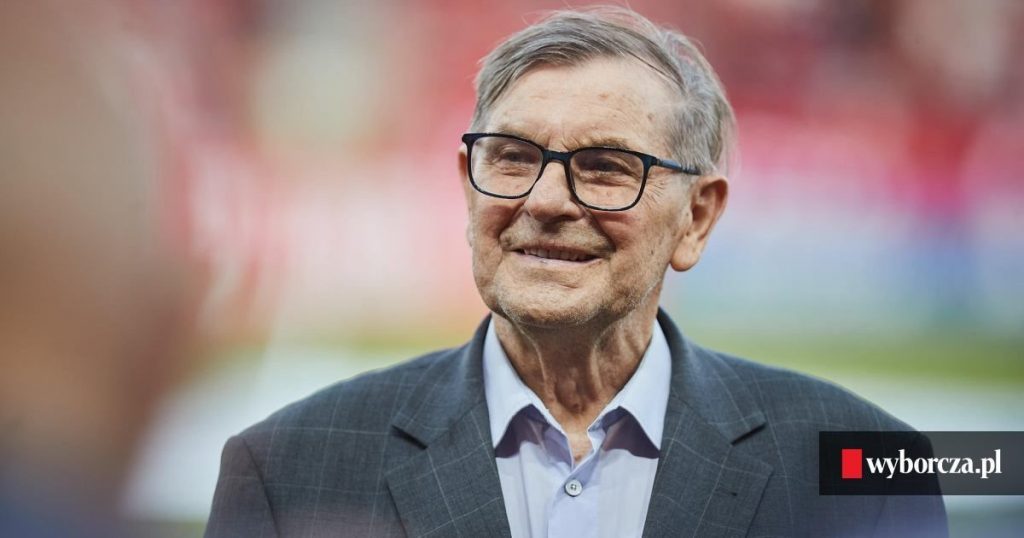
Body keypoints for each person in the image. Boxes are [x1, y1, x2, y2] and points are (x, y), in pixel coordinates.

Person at [206, 7, 947, 537]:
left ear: (695, 218)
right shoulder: (285, 469)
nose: (546, 200)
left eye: (604, 167)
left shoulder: (870, 469)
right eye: (512, 158)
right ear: (467, 187)